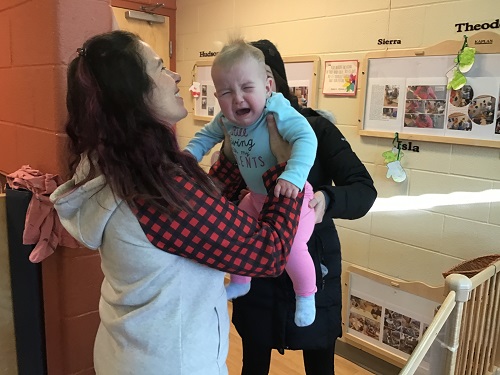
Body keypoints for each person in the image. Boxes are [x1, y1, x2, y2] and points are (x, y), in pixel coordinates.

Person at [49, 30, 306, 375]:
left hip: (131, 348)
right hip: (173, 362)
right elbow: (267, 253)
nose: (176, 75)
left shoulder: (116, 164)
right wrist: (284, 169)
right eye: (159, 68)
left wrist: (232, 153)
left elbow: (202, 211)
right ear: (133, 93)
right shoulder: (152, 190)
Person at [231, 39, 377, 375]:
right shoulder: (236, 134)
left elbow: (363, 190)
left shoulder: (315, 127)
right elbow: (226, 196)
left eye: (256, 78)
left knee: (319, 363)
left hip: (314, 263)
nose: (246, 93)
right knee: (253, 360)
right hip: (259, 263)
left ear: (274, 80)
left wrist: (328, 198)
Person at [185, 38, 318, 327]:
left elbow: (306, 138)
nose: (238, 99)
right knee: (237, 233)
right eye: (226, 92)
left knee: (293, 248)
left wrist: (293, 175)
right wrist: (188, 156)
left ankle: (306, 294)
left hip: (294, 197)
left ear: (268, 87)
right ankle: (242, 281)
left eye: (247, 88)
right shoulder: (225, 120)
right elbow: (205, 138)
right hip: (256, 199)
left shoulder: (277, 111)